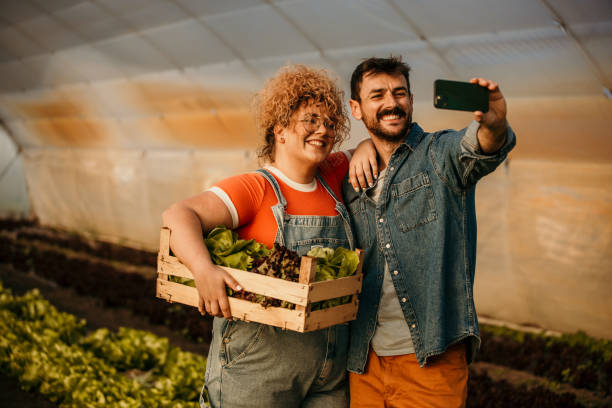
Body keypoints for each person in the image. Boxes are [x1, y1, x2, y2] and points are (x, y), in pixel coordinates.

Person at [162, 64, 369, 408]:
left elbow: (372, 145)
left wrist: (362, 148)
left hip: (330, 366)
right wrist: (203, 269)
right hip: (260, 365)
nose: (323, 130)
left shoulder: (332, 175)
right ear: (281, 129)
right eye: (311, 120)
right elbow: (178, 215)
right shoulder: (256, 187)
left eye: (330, 123)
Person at [342, 56, 516, 407]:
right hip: (364, 362)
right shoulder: (349, 175)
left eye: (400, 92)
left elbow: (478, 147)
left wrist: (495, 124)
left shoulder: (439, 155)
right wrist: (361, 147)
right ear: (356, 109)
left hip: (431, 360)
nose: (392, 103)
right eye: (377, 95)